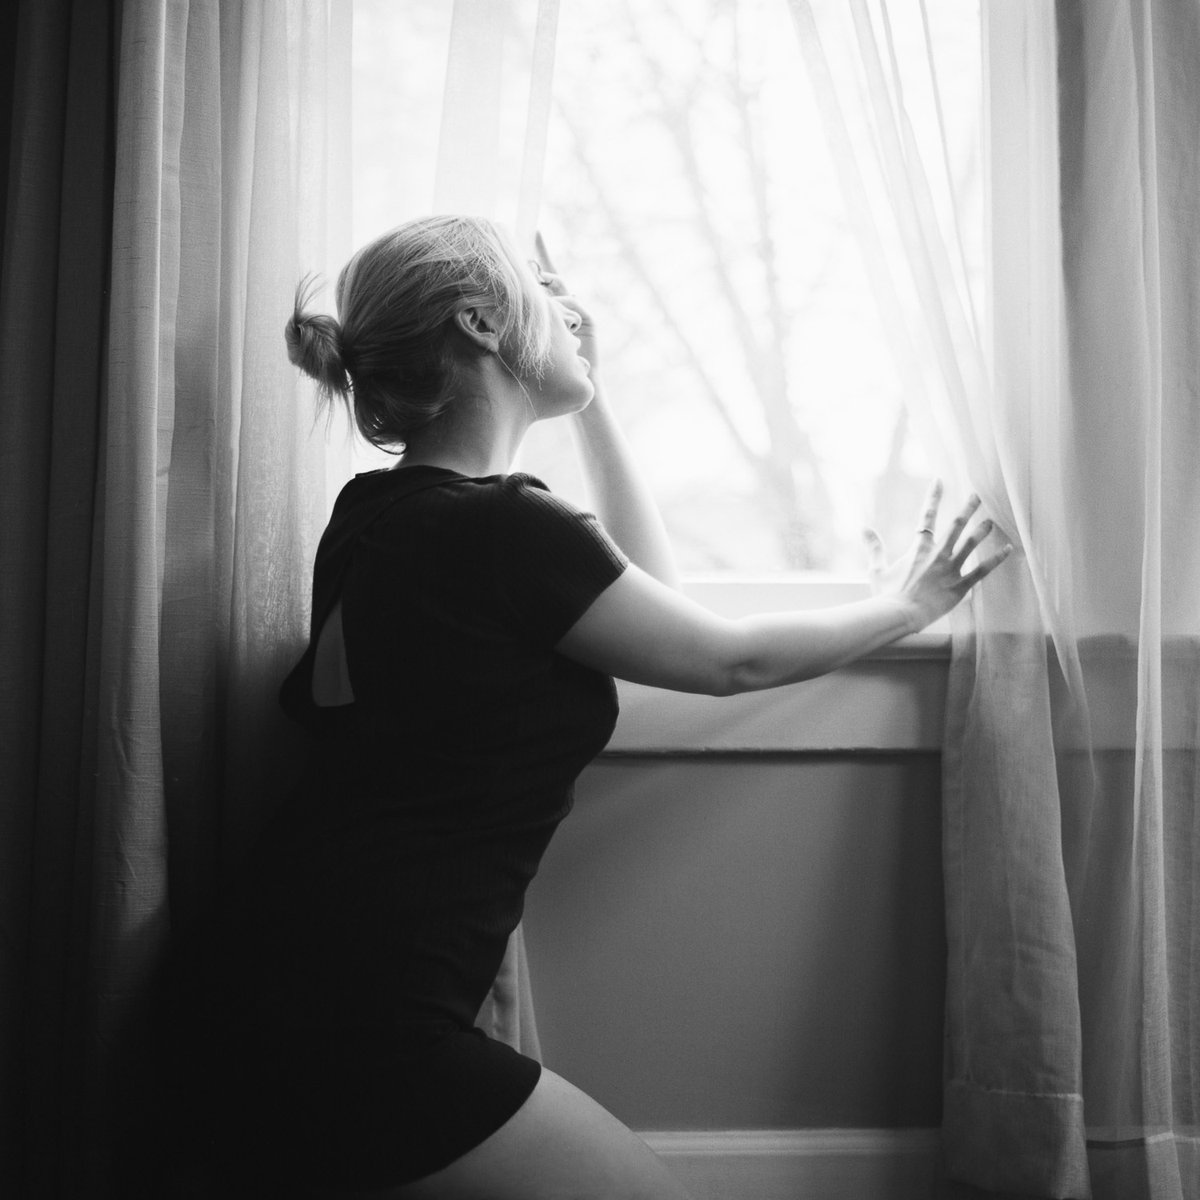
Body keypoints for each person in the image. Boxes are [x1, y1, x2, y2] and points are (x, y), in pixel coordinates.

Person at [162, 214, 1010, 1199]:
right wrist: (909, 605)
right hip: (362, 1021)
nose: (570, 314)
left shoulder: (376, 515)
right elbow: (723, 659)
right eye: (543, 293)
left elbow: (658, 600)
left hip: (261, 978)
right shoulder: (505, 529)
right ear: (483, 321)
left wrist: (591, 400)